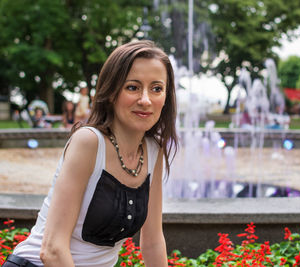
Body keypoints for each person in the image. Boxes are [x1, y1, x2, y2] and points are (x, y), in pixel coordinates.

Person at [3, 40, 178, 267]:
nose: (145, 100)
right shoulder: (88, 142)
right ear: (112, 92)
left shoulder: (154, 150)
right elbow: (52, 249)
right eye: (132, 87)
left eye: (156, 88)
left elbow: (153, 242)